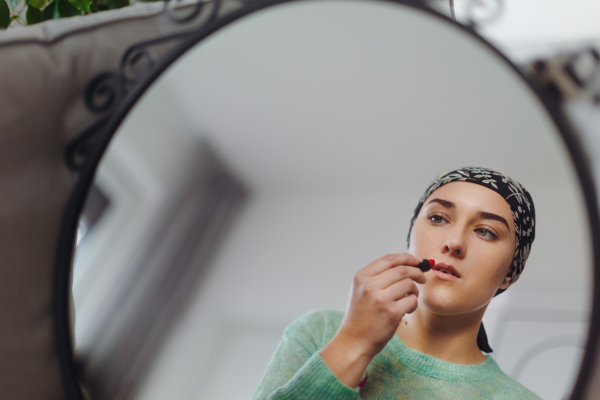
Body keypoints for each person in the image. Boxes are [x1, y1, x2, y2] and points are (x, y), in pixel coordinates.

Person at [252, 167, 540, 399]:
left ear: (510, 272)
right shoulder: (320, 332)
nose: (453, 242)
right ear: (411, 236)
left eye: (486, 232)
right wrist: (354, 344)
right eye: (438, 218)